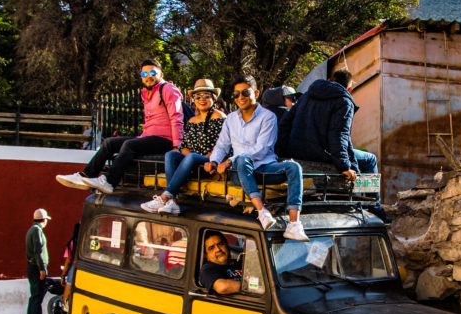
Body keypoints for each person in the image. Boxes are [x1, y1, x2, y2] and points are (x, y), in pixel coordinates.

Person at [203, 76, 309, 242]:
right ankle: (262, 211)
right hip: (241, 172)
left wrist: (230, 160)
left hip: (264, 168)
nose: (240, 97)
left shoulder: (268, 117)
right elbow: (222, 145)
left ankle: (294, 223)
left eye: (245, 92)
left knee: (294, 167)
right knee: (241, 160)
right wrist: (214, 161)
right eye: (236, 94)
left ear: (256, 93)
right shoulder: (230, 119)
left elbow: (262, 148)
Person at [56, 59, 184, 194]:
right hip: (148, 137)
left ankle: (109, 182)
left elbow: (176, 117)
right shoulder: (146, 93)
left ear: (161, 74)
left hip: (165, 139)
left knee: (129, 145)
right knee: (110, 143)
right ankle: (86, 176)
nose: (148, 76)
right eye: (144, 74)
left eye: (152, 72)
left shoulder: (167, 89)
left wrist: (176, 146)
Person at [141, 78, 226, 215]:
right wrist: (187, 163)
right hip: (191, 163)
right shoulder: (192, 121)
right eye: (198, 96)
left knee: (192, 156)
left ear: (214, 98)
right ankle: (172, 201)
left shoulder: (220, 118)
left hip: (209, 162)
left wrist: (195, 160)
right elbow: (185, 146)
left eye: (206, 95)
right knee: (171, 154)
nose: (201, 99)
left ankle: (164, 196)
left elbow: (222, 147)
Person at [280, 68, 377, 180]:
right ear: (349, 89)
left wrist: (283, 153)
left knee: (354, 163)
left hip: (296, 151)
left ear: (329, 80)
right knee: (370, 160)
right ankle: (373, 196)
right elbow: (339, 135)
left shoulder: (306, 95)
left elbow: (285, 124)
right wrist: (344, 166)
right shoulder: (344, 102)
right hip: (322, 154)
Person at [26, 208, 53, 314]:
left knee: (34, 297)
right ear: (44, 220)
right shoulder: (37, 231)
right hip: (36, 267)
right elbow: (38, 251)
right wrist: (42, 268)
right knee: (37, 298)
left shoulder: (32, 229)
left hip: (32, 266)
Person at [199, 231, 241, 295]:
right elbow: (222, 287)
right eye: (211, 248)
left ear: (226, 245)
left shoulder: (241, 262)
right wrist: (252, 287)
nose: (218, 249)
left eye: (220, 244)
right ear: (206, 255)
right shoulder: (207, 269)